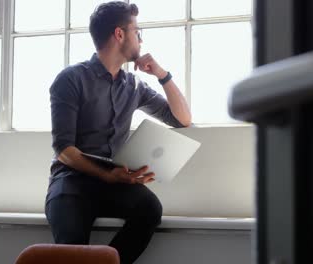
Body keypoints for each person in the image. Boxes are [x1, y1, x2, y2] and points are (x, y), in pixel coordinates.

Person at [44, 1, 191, 263]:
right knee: (71, 251)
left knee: (150, 209)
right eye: (137, 31)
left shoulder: (134, 86)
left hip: (112, 182)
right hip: (71, 182)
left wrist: (162, 74)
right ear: (119, 34)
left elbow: (182, 119)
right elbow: (64, 151)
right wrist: (107, 174)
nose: (141, 39)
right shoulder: (70, 79)